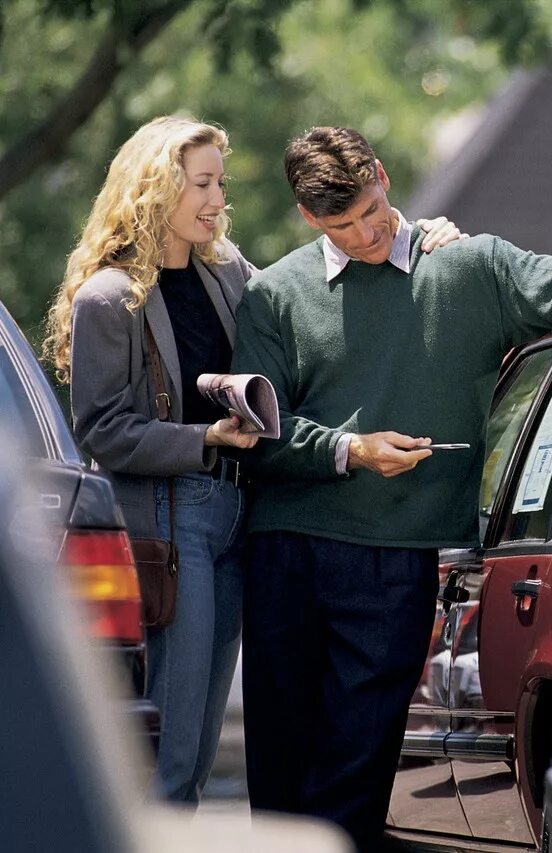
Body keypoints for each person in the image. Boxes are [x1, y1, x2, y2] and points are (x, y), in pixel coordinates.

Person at [230, 126, 552, 850]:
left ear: (382, 176)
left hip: (397, 556)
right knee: (279, 767)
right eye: (340, 224)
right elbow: (258, 435)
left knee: (356, 767)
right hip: (284, 551)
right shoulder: (273, 295)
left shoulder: (469, 266)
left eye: (370, 210)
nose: (362, 233)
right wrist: (348, 449)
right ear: (307, 217)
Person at [42, 116, 462, 807]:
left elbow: (320, 286)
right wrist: (204, 439)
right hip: (174, 525)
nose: (217, 200)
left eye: (219, 182)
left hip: (239, 519)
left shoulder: (226, 273)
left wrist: (430, 237)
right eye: (201, 184)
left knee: (201, 745)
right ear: (155, 189)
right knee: (172, 751)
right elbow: (103, 429)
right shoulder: (110, 298)